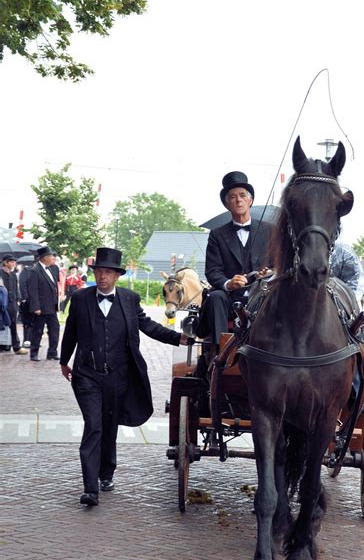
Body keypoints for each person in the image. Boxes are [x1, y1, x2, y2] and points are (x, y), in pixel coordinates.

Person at [60, 247, 188, 506]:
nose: (103, 276)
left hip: (118, 376)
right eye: (99, 271)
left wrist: (179, 338)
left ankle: (107, 472)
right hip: (87, 375)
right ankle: (90, 488)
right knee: (93, 426)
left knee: (109, 426)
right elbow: (71, 331)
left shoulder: (129, 299)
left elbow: (148, 326)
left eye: (108, 272)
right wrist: (64, 361)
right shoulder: (81, 299)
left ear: (118, 275)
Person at [197, 171, 272, 346]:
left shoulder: (270, 230)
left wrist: (269, 273)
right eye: (232, 197)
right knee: (215, 297)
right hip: (229, 300)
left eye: (242, 195)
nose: (238, 200)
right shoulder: (217, 234)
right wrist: (228, 283)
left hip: (262, 296)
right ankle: (220, 354)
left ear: (250, 200)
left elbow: (279, 264)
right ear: (226, 204)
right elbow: (212, 271)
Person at [27, 246, 61, 361]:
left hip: (52, 306)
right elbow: (33, 290)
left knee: (55, 329)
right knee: (37, 331)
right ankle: (34, 353)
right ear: (45, 258)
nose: (53, 258)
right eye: (52, 256)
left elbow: (54, 287)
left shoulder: (52, 268)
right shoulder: (35, 270)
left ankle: (52, 352)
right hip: (40, 308)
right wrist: (36, 307)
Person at [0, 254, 28, 354]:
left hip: (12, 303)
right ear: (5, 262)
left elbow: (16, 288)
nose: (13, 264)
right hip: (1, 302)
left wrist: (19, 299)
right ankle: (4, 345)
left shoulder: (13, 275)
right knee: (1, 324)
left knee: (12, 325)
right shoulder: (0, 273)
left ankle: (16, 346)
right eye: (11, 262)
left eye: (14, 262)